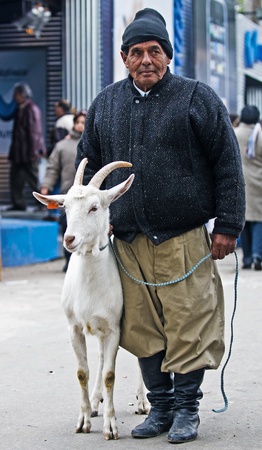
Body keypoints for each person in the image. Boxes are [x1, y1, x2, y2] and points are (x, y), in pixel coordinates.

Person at [76, 8, 245, 444]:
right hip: (127, 243)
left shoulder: (197, 97)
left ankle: (187, 410)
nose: (146, 59)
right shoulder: (105, 104)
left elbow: (227, 164)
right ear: (123, 57)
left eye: (155, 51)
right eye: (136, 52)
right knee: (141, 327)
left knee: (188, 322)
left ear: (168, 56)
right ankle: (161, 407)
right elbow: (87, 168)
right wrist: (85, 222)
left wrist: (227, 224)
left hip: (183, 239)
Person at [41, 109, 88, 272]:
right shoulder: (62, 146)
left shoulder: (94, 144)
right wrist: (46, 185)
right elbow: (52, 167)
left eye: (84, 122)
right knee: (67, 227)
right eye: (78, 122)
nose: (81, 126)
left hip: (88, 197)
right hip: (68, 196)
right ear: (73, 124)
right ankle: (69, 262)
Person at [7, 83, 46, 211]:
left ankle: (42, 204)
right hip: (19, 154)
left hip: (28, 153)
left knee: (34, 180)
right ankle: (19, 204)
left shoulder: (31, 109)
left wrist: (34, 151)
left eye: (16, 94)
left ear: (21, 95)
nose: (14, 97)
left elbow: (35, 132)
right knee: (15, 180)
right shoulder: (20, 109)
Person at [234, 105, 262, 270]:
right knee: (259, 219)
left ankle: (247, 258)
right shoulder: (260, 134)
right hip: (259, 181)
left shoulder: (234, 133)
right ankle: (258, 254)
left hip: (240, 181)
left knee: (243, 219)